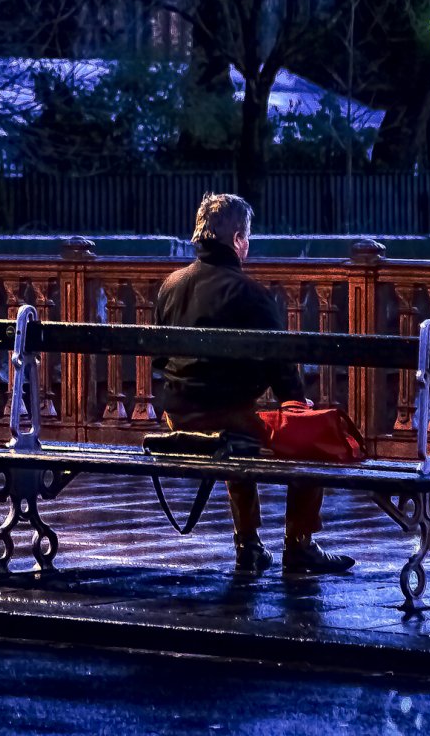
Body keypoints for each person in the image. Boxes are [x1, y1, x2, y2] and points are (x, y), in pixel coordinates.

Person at [153, 193, 355, 576]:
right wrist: (297, 404)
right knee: (305, 439)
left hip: (175, 416)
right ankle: (299, 545)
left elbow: (160, 363)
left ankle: (249, 544)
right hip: (225, 418)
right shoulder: (252, 295)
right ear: (238, 241)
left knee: (236, 428)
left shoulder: (170, 286)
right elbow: (281, 368)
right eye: (247, 238)